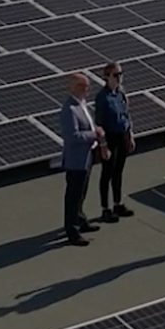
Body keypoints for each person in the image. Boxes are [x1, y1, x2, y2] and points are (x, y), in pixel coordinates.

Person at [56, 72, 104, 246]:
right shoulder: (69, 109)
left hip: (86, 156)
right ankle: (73, 231)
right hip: (76, 160)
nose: (85, 90)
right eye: (81, 86)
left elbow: (87, 125)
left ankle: (81, 220)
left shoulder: (82, 105)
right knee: (73, 196)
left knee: (81, 193)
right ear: (72, 88)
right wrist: (94, 134)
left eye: (87, 87)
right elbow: (72, 136)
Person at [94, 62, 136, 224]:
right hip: (110, 137)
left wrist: (130, 135)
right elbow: (99, 122)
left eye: (120, 74)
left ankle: (118, 203)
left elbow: (126, 115)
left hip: (122, 136)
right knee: (107, 172)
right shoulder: (102, 97)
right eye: (115, 75)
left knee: (118, 171)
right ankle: (105, 208)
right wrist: (103, 144)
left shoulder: (121, 94)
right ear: (107, 77)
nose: (119, 78)